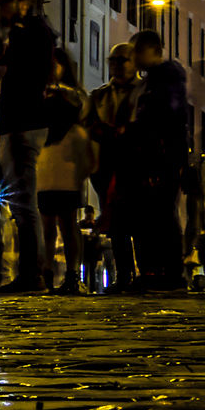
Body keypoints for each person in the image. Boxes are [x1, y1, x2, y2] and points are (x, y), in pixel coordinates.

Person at [0, 0, 58, 293]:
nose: (0, 9)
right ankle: (31, 273)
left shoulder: (30, 33)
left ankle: (31, 275)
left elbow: (22, 81)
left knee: (23, 205)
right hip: (19, 124)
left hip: (21, 125)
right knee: (22, 204)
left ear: (22, 3)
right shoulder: (33, 33)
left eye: (4, 2)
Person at [127, 29, 193, 292]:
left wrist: (155, 152)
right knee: (155, 214)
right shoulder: (158, 79)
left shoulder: (164, 79)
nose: (133, 58)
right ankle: (159, 271)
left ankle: (165, 272)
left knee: (160, 214)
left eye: (136, 52)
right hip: (158, 154)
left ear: (151, 50)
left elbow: (164, 118)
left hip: (159, 156)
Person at [36, 52, 96, 293]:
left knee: (68, 224)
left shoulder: (72, 95)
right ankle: (47, 272)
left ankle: (72, 274)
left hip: (66, 163)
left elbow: (81, 115)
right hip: (46, 162)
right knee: (47, 225)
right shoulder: (43, 93)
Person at [85, 43, 139, 289]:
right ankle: (124, 275)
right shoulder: (99, 95)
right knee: (117, 225)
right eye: (113, 60)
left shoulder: (145, 92)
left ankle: (144, 273)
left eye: (122, 60)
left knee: (138, 222)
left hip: (136, 164)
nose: (117, 65)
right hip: (106, 166)